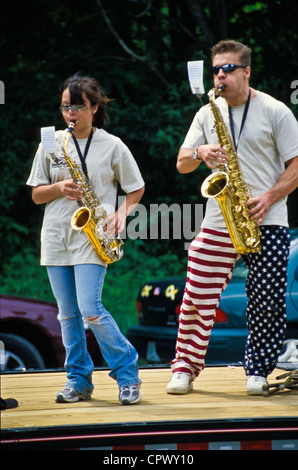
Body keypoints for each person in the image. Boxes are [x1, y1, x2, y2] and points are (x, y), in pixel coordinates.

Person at [167, 40, 298, 396]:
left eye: (228, 68)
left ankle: (257, 371)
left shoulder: (276, 111)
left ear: (247, 72)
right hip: (218, 217)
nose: (220, 75)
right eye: (216, 69)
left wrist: (269, 196)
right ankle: (184, 367)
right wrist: (199, 150)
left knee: (267, 299)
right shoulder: (207, 113)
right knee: (195, 294)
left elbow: (296, 165)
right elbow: (182, 163)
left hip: (266, 218)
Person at [27, 74, 145, 405]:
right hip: (56, 236)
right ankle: (78, 380)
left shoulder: (112, 145)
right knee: (67, 314)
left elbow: (136, 188)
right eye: (66, 107)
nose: (70, 114)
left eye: (77, 107)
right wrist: (57, 188)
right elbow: (37, 195)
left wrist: (120, 215)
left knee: (90, 309)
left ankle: (127, 373)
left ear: (93, 107)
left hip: (94, 238)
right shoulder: (50, 143)